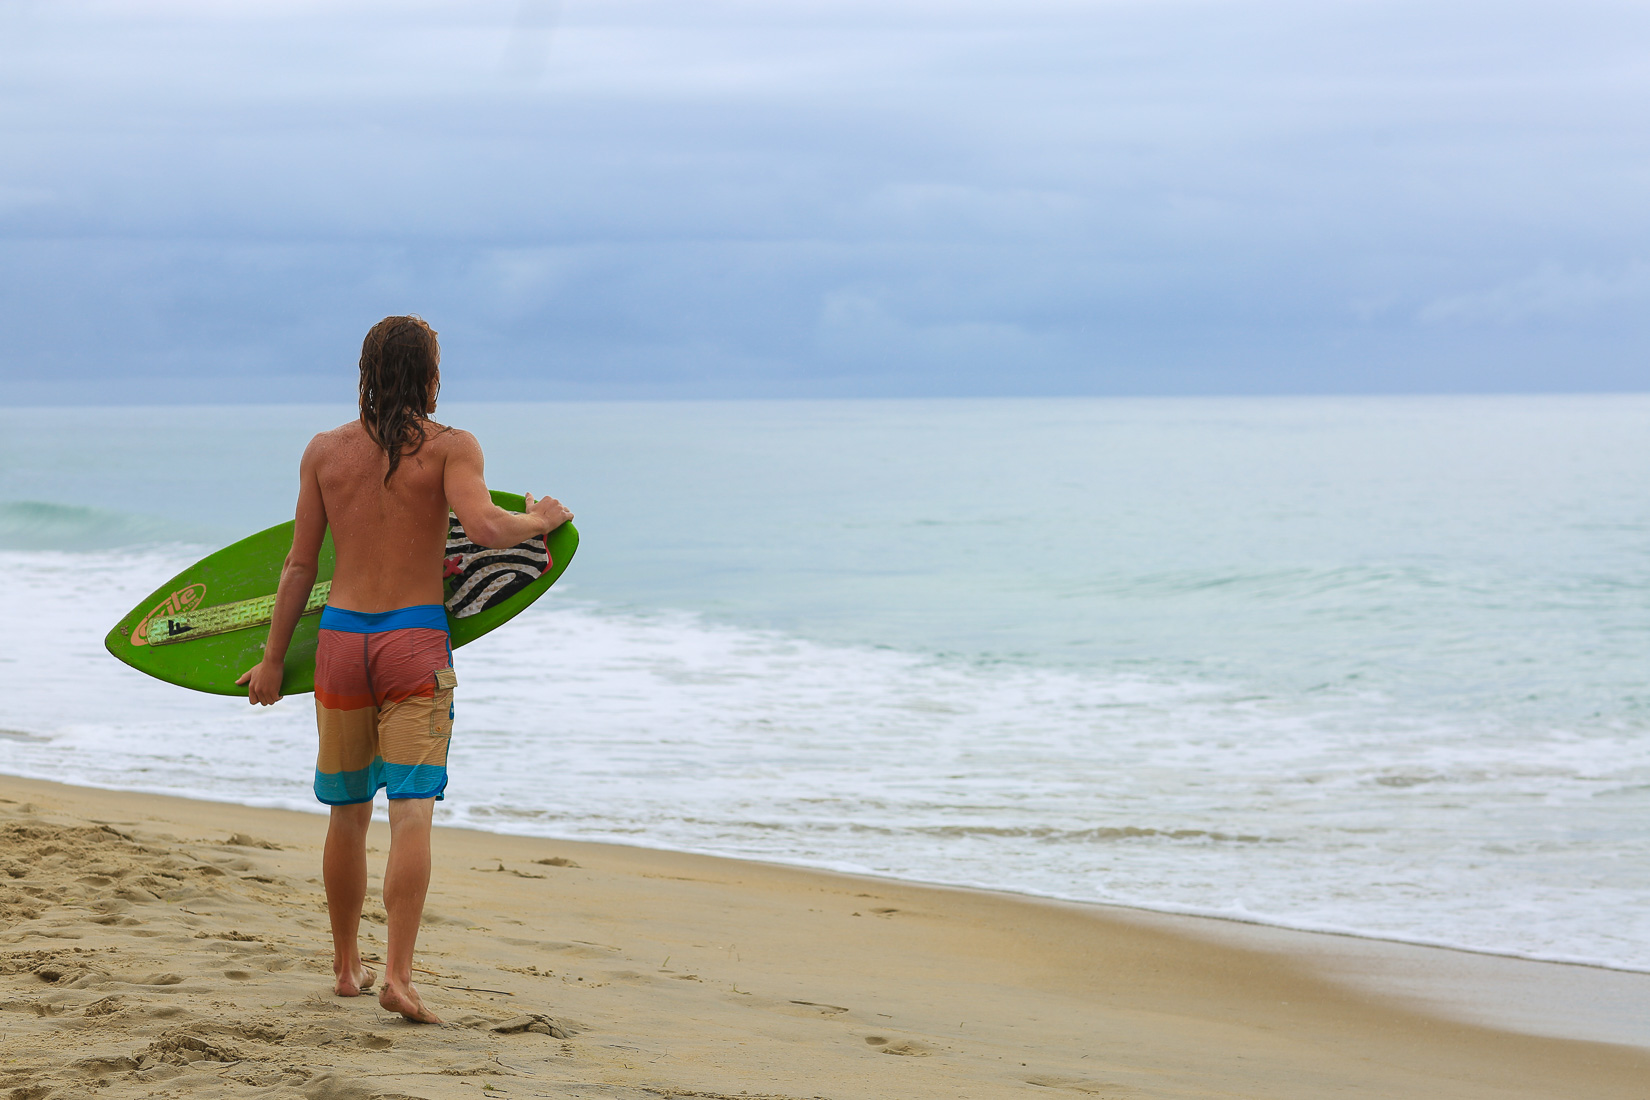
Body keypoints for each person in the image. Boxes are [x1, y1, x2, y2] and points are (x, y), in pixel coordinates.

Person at [237, 315, 572, 1024]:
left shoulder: (325, 453)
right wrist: (541, 521)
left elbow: (300, 564)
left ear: (364, 373)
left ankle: (344, 968)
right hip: (413, 642)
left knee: (347, 813)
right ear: (431, 375)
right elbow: (484, 528)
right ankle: (398, 974)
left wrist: (271, 661)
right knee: (411, 810)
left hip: (340, 643)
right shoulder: (453, 448)